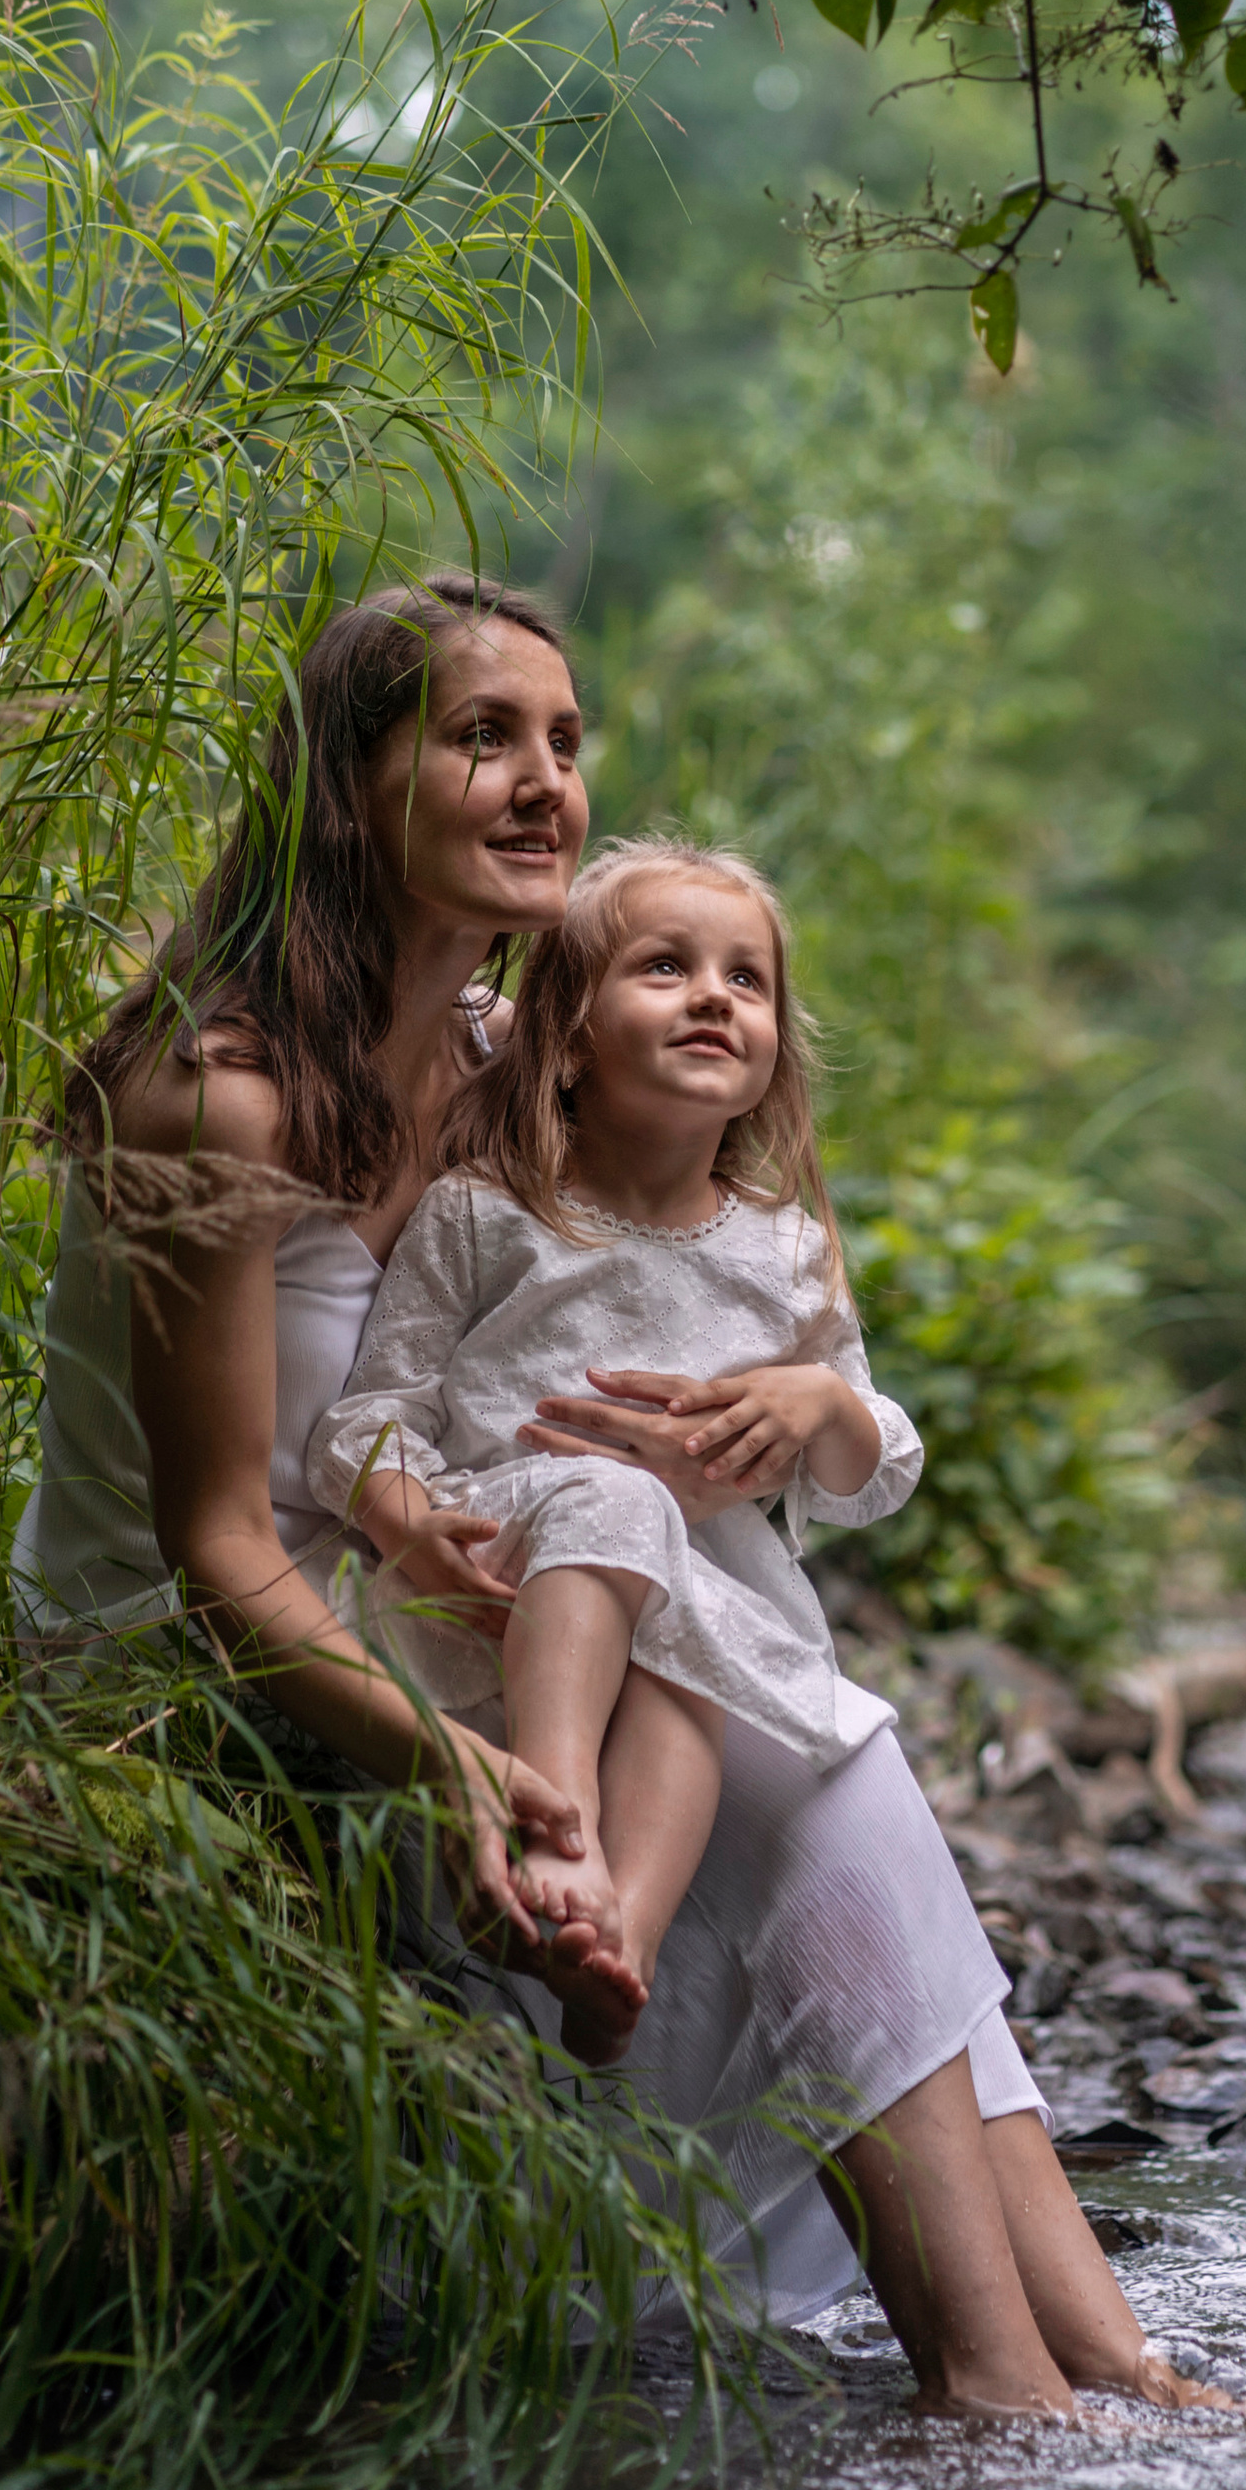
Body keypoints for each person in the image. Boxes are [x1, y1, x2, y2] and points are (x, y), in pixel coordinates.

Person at [16, 573, 1216, 2417]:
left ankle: (1090, 2373)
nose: (540, 780)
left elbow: (670, 1260)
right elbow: (207, 1556)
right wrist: (446, 1762)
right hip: (219, 1673)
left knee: (814, 1755)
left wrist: (783, 1399)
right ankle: (1022, 2386)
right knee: (792, 1778)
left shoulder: (508, 1063)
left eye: (564, 742)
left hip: (469, 1585)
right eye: (481, 735)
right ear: (353, 785)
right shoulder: (218, 1097)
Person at [308, 838, 920, 2068]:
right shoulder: (489, 1213)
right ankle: (556, 1826)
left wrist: (817, 1407)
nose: (714, 995)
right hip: (498, 1597)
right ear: (572, 1037)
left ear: (770, 1060)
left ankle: (615, 1945)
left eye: (747, 981)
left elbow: (878, 1465)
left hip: (681, 1628)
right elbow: (365, 1416)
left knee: (688, 1638)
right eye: (666, 967)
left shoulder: (786, 1251)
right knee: (614, 1496)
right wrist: (399, 1517)